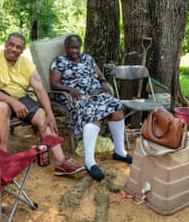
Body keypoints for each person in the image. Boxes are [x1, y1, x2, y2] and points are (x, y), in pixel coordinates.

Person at [0, 32, 84, 176]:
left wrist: (50, 114)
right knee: (3, 107)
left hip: (19, 98)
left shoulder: (26, 64)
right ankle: (2, 160)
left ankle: (61, 162)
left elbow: (39, 89)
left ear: (23, 50)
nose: (14, 49)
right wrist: (13, 102)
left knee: (42, 115)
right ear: (5, 44)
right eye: (11, 45)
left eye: (18, 47)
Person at [50, 34, 132, 181]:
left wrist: (104, 82)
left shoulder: (88, 58)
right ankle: (89, 161)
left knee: (116, 107)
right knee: (93, 112)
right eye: (70, 47)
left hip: (96, 94)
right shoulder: (60, 62)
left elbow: (100, 75)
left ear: (80, 47)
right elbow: (53, 84)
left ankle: (119, 151)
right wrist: (69, 89)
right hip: (76, 97)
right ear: (65, 48)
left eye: (76, 47)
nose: (73, 50)